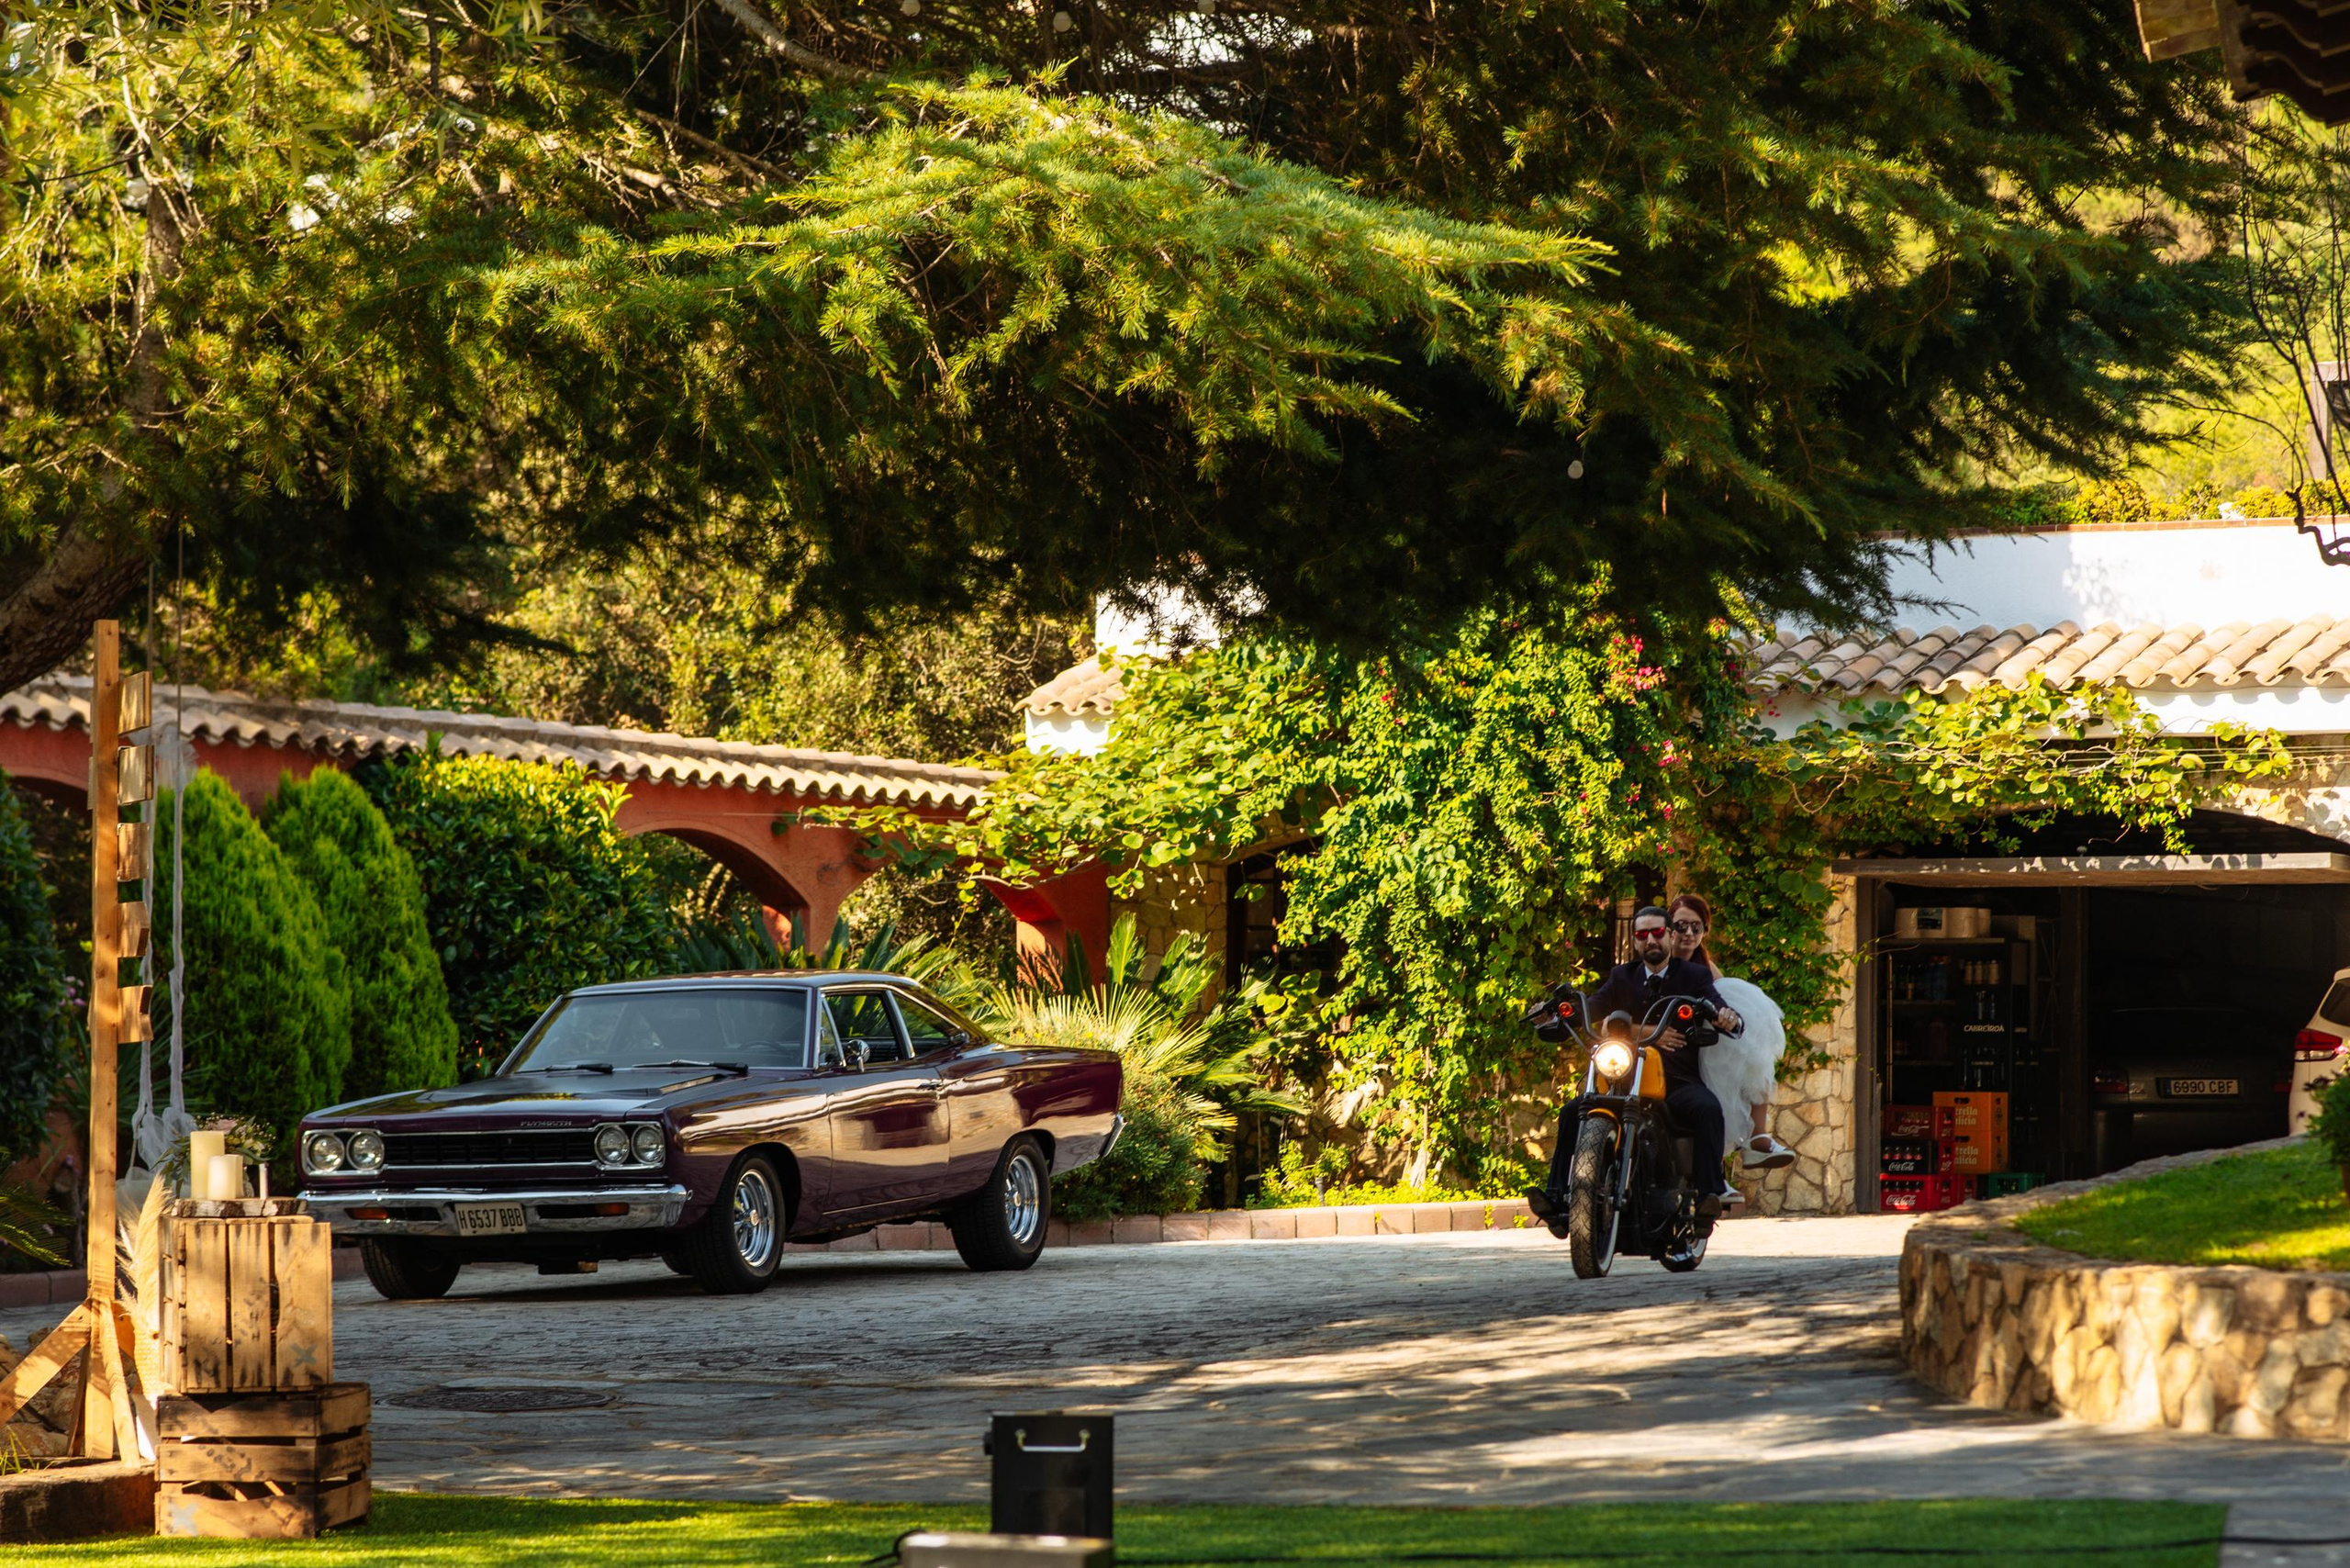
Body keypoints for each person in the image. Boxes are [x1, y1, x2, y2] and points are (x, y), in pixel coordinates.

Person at [1531, 905, 1742, 1226]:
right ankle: (1557, 1199)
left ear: (1670, 936)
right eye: (1642, 934)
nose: (1650, 940)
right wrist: (1554, 1018)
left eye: (1657, 932)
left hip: (1674, 1080)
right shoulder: (1622, 976)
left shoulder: (1693, 976)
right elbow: (1592, 1008)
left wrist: (1726, 1017)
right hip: (1622, 1077)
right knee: (1573, 1110)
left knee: (1707, 1108)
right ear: (1634, 940)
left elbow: (1717, 1006)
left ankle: (1708, 1198)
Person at [1667, 893, 1796, 1173]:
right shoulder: (1656, 963)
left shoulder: (1705, 970)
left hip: (1702, 1044)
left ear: (1705, 931)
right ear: (1669, 927)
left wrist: (1727, 1018)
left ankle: (1757, 1137)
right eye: (1681, 926)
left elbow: (1722, 1003)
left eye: (1696, 927)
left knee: (1751, 1030)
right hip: (1668, 1049)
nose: (1688, 933)